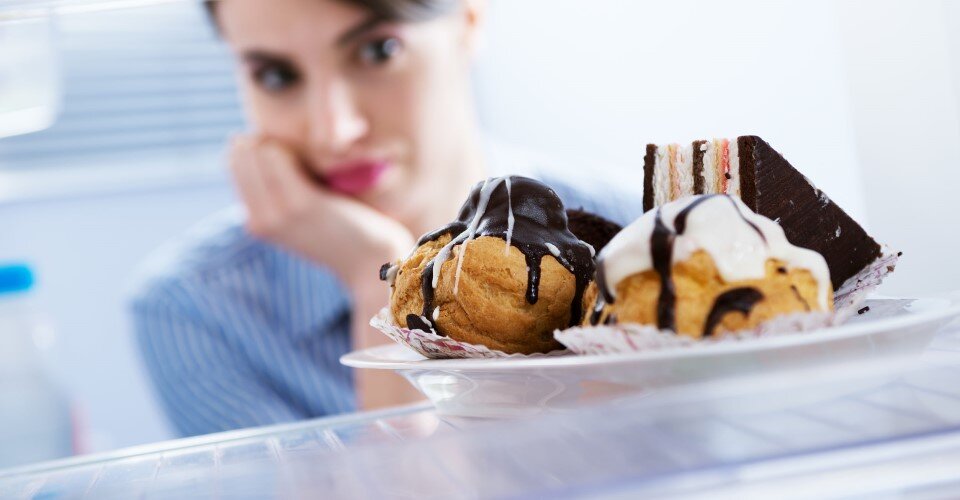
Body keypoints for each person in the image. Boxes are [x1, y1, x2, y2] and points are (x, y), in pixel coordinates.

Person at [131, 0, 641, 437]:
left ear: (468, 19)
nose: (336, 129)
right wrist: (376, 274)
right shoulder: (197, 311)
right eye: (276, 76)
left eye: (378, 51)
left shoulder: (642, 229)